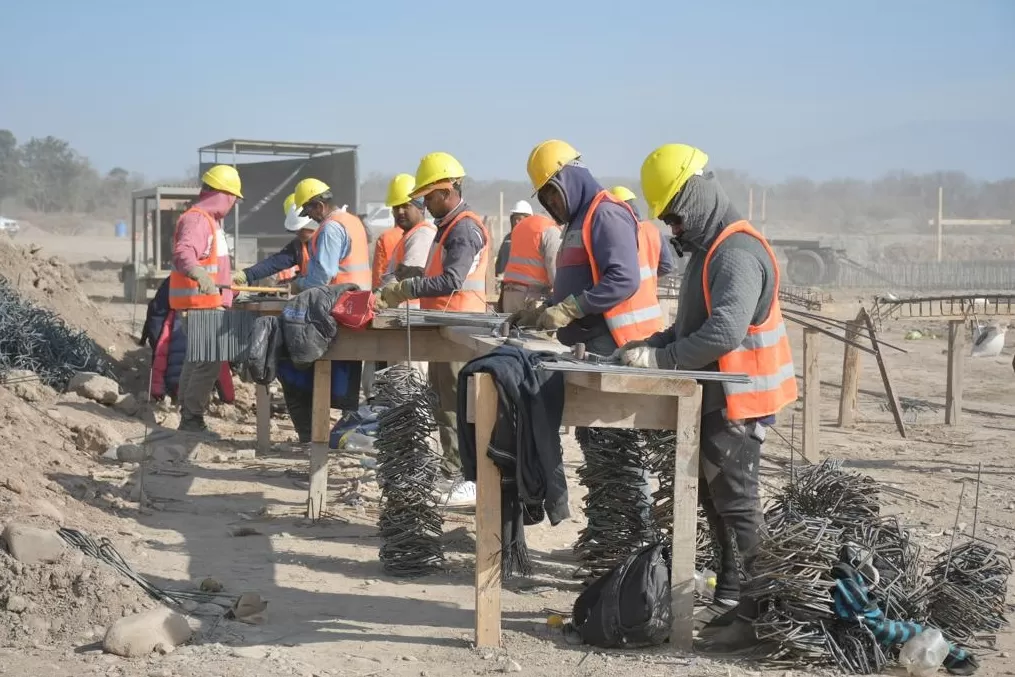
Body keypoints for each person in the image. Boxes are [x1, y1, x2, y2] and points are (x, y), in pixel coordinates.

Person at [617, 143, 798, 653]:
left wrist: (661, 361)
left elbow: (722, 333)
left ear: (697, 193)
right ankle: (736, 596)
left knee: (738, 506)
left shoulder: (738, 254)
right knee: (718, 502)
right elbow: (691, 324)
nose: (672, 227)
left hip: (741, 400)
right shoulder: (710, 249)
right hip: (719, 397)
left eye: (675, 214)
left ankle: (761, 616)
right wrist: (651, 344)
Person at [511, 139, 664, 527]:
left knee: (620, 450)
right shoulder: (580, 221)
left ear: (569, 178)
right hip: (594, 346)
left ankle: (633, 536)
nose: (549, 203)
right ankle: (608, 533)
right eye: (543, 197)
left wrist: (570, 309)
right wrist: (545, 312)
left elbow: (623, 279)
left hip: (618, 345)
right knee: (598, 447)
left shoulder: (605, 214)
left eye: (551, 192)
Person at [375, 152, 490, 507]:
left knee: (458, 403)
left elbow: (453, 279)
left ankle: (465, 475)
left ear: (447, 190)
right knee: (444, 403)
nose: (424, 201)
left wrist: (407, 289)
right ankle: (453, 469)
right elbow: (437, 275)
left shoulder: (465, 228)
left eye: (428, 195)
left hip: (462, 327)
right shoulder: (448, 228)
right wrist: (411, 278)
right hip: (447, 326)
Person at [169, 164, 243, 433]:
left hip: (205, 304)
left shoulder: (210, 221)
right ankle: (191, 419)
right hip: (202, 305)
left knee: (197, 360)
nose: (234, 203)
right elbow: (184, 252)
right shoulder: (198, 219)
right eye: (233, 197)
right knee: (207, 363)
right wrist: (200, 275)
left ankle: (188, 416)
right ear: (223, 194)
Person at [291, 178, 371, 291]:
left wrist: (298, 284)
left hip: (340, 300)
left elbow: (321, 278)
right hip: (360, 297)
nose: (309, 217)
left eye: (308, 212)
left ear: (319, 206)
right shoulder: (353, 221)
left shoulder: (330, 229)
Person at [232, 193, 317, 287]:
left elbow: (323, 276)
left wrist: (296, 284)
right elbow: (275, 262)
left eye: (299, 229)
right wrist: (247, 274)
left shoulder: (330, 238)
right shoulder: (299, 246)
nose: (297, 233)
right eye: (294, 230)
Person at [378, 173, 437, 293]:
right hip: (404, 309)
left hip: (410, 309)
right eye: (395, 207)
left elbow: (408, 277)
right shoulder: (412, 234)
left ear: (421, 207)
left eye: (405, 206)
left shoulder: (422, 235)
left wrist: (380, 295)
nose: (400, 211)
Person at [498, 201, 561, 313]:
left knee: (510, 330)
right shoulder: (550, 230)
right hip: (531, 299)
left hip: (509, 295)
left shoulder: (518, 229)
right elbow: (555, 272)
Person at [608, 185, 675, 289]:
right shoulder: (653, 230)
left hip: (626, 300)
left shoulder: (616, 232)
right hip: (650, 299)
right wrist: (649, 279)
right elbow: (667, 266)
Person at [494, 200, 529, 275]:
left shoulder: (532, 239)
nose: (516, 222)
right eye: (514, 219)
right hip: (504, 281)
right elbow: (499, 262)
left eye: (519, 219)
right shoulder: (508, 238)